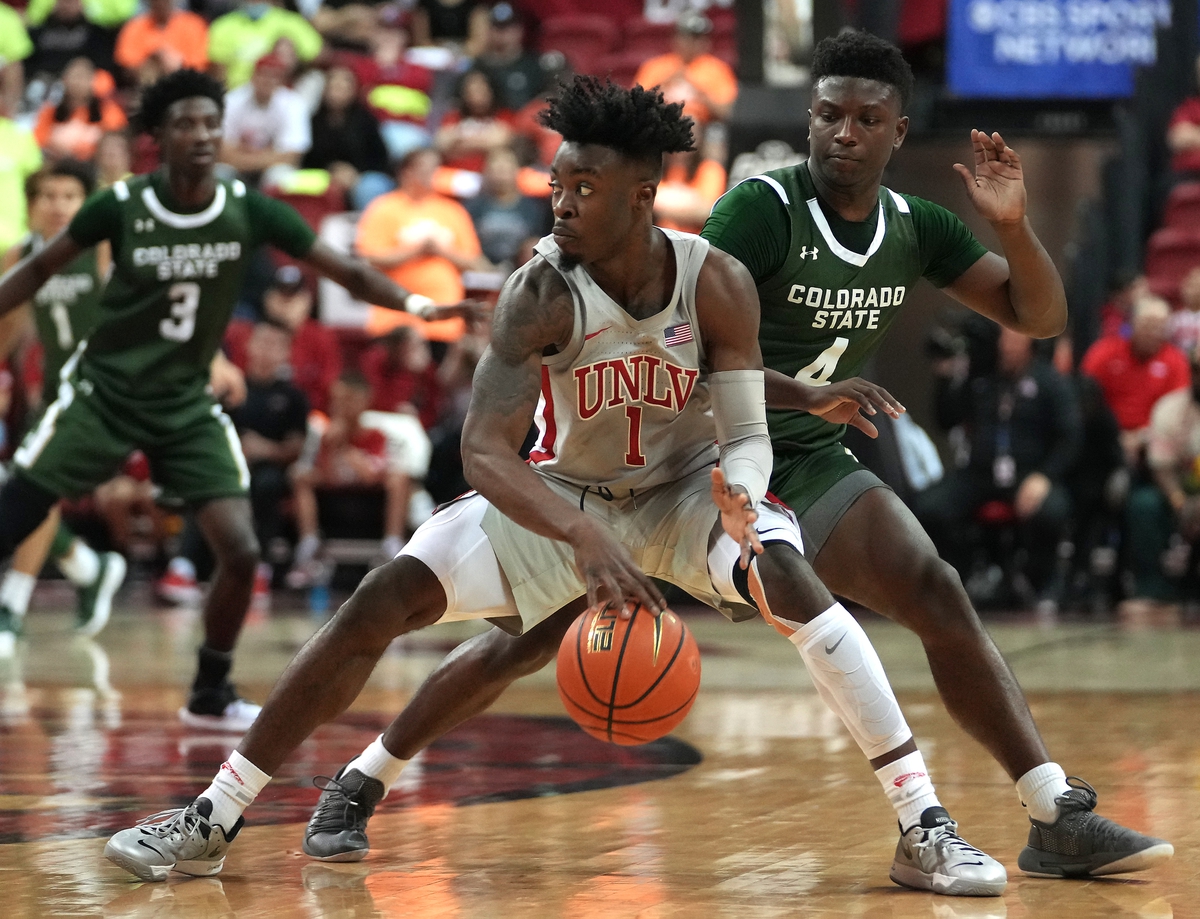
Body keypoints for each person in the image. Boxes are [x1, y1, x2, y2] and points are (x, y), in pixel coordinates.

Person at [105, 76, 1009, 898]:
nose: (562, 202)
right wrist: (580, 536)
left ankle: (923, 823)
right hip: (567, 491)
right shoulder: (538, 291)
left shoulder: (716, 280)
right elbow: (484, 452)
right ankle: (213, 815)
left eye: (585, 187)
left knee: (792, 578)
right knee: (388, 598)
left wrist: (742, 496)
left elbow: (742, 430)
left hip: (684, 490)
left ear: (642, 195)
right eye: (557, 185)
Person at [696, 30, 1172, 878]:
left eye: (866, 118)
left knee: (936, 586)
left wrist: (1014, 228)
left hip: (810, 459)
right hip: (713, 453)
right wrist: (805, 394)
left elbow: (1041, 317)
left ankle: (1053, 812)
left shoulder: (916, 227)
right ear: (809, 119)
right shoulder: (760, 210)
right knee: (530, 623)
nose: (844, 132)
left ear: (900, 132)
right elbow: (686, 355)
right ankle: (922, 819)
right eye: (829, 114)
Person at [0, 68, 478, 731]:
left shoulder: (245, 207)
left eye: (210, 123)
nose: (201, 135)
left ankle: (210, 689)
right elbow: (35, 268)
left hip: (184, 402)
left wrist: (419, 305)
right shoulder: (122, 205)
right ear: (158, 135)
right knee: (14, 514)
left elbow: (344, 268)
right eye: (185, 124)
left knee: (241, 548)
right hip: (105, 391)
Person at [0, 160, 126, 654]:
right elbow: (9, 330)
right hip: (56, 390)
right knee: (22, 489)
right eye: (47, 197)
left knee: (35, 485)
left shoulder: (103, 246)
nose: (57, 206)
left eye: (69, 197)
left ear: (85, 204)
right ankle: (88, 568)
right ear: (31, 206)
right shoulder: (21, 255)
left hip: (103, 391)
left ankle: (12, 606)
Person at [915, 328, 1081, 605]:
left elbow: (1070, 437)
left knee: (1051, 511)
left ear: (1030, 341)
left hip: (1028, 473)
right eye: (1004, 337)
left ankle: (1039, 582)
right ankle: (958, 577)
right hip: (980, 472)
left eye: (1015, 338)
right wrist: (946, 377)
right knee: (929, 508)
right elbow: (946, 419)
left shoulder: (1050, 382)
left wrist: (1044, 476)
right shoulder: (982, 378)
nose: (1008, 345)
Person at [287, 369, 412, 583]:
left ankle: (392, 544)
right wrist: (332, 446)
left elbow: (370, 476)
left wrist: (345, 447)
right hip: (333, 502)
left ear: (364, 401)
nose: (341, 406)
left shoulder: (375, 436)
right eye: (337, 400)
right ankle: (309, 544)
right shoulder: (326, 436)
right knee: (299, 475)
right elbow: (328, 476)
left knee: (400, 477)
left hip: (369, 502)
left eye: (348, 400)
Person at [356, 146, 491, 341]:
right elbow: (371, 257)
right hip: (394, 318)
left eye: (434, 169)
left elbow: (473, 261)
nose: (431, 175)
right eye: (425, 169)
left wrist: (440, 251)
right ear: (406, 172)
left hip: (443, 318)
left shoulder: (452, 211)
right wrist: (416, 250)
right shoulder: (383, 208)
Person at [1081, 295, 1190, 471]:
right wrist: (1114, 435)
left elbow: (1178, 411)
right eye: (1147, 325)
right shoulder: (1104, 353)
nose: (1153, 333)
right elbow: (1085, 397)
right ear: (1132, 324)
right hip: (1104, 438)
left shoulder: (1177, 362)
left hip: (1154, 441)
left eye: (1159, 327)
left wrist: (1142, 437)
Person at [224, 264, 342, 414]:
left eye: (292, 296)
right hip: (245, 405)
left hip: (304, 412)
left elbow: (329, 385)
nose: (285, 302)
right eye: (281, 294)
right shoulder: (242, 332)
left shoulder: (321, 338)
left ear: (305, 299)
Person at [300, 64, 392, 211]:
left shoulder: (367, 121)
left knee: (370, 187)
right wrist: (330, 170)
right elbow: (305, 157)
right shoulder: (313, 121)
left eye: (343, 88)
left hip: (361, 175)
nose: (337, 93)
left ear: (354, 91)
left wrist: (356, 173)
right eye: (334, 87)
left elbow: (380, 158)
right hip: (323, 174)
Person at [220, 53, 312, 189]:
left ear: (281, 81)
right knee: (220, 173)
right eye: (263, 75)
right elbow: (222, 152)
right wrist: (269, 155)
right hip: (238, 169)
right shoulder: (232, 100)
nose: (267, 81)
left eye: (273, 77)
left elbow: (292, 156)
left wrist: (244, 155)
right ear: (253, 77)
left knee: (281, 175)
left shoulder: (294, 104)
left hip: (266, 169)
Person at [633, 13, 737, 127]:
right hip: (659, 122)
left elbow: (728, 112)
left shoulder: (718, 69)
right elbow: (635, 105)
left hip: (700, 124)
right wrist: (663, 86)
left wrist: (701, 95)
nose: (692, 43)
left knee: (694, 124)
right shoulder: (654, 66)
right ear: (675, 38)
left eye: (697, 38)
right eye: (686, 37)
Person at [464, 146, 550, 266]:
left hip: (520, 267)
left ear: (517, 171)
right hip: (481, 266)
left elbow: (536, 241)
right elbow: (466, 241)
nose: (501, 176)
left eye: (505, 170)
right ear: (486, 172)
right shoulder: (473, 207)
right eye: (496, 170)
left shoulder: (532, 208)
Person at [32, 56, 128, 162]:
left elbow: (116, 144)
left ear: (93, 80)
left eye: (83, 77)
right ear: (64, 79)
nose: (78, 82)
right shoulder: (49, 112)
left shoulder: (109, 112)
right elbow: (38, 142)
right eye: (75, 77)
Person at [470, 2, 551, 112]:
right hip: (492, 121)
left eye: (508, 28)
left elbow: (545, 100)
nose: (502, 34)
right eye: (497, 28)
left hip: (526, 120)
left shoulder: (533, 64)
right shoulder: (479, 67)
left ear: (520, 29)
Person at [114, 0, 209, 86]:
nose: (161, 3)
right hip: (145, 86)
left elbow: (200, 64)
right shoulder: (135, 27)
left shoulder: (193, 24)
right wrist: (152, 58)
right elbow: (126, 64)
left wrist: (177, 63)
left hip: (186, 84)